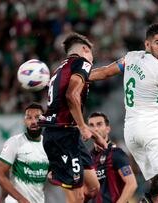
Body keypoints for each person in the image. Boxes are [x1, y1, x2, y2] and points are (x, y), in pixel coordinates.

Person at [89, 23, 158, 202]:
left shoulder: (131, 57)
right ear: (147, 44)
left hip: (132, 133)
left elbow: (104, 72)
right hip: (152, 129)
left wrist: (80, 75)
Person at [40, 33, 107, 203]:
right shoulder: (81, 63)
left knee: (93, 188)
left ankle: (56, 170)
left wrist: (126, 63)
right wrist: (83, 126)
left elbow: (104, 73)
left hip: (66, 133)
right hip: (62, 135)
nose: (92, 60)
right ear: (85, 49)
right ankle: (56, 170)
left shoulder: (61, 68)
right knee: (77, 195)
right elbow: (71, 95)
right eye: (92, 55)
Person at [0, 103, 49, 203]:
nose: (33, 121)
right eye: (29, 118)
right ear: (24, 121)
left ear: (44, 120)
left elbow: (51, 174)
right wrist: (21, 199)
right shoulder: (14, 142)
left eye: (37, 117)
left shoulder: (49, 145)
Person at [88, 112, 137, 203]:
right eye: (91, 125)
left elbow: (131, 184)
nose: (95, 129)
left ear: (107, 129)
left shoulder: (116, 153)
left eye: (99, 124)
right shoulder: (87, 158)